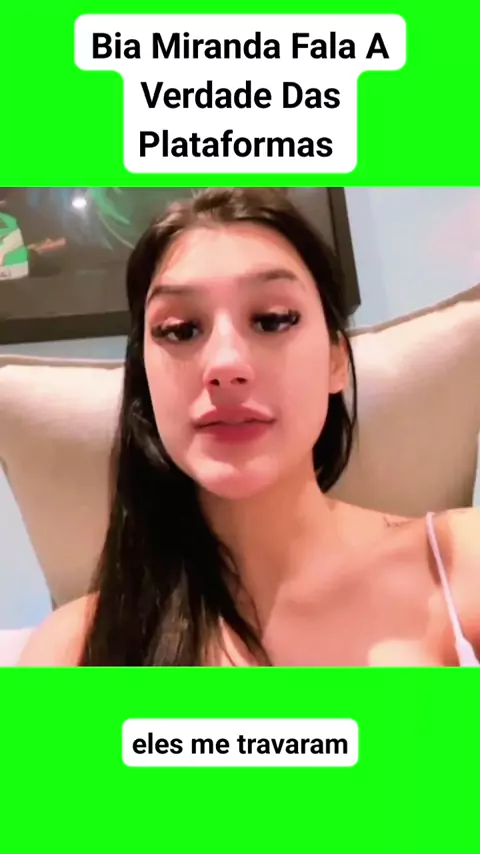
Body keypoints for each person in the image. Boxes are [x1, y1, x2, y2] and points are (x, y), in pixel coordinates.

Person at [18, 187, 480, 668]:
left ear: (335, 360)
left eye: (272, 320)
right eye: (180, 330)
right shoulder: (72, 650)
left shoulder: (462, 565)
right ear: (145, 379)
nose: (225, 364)